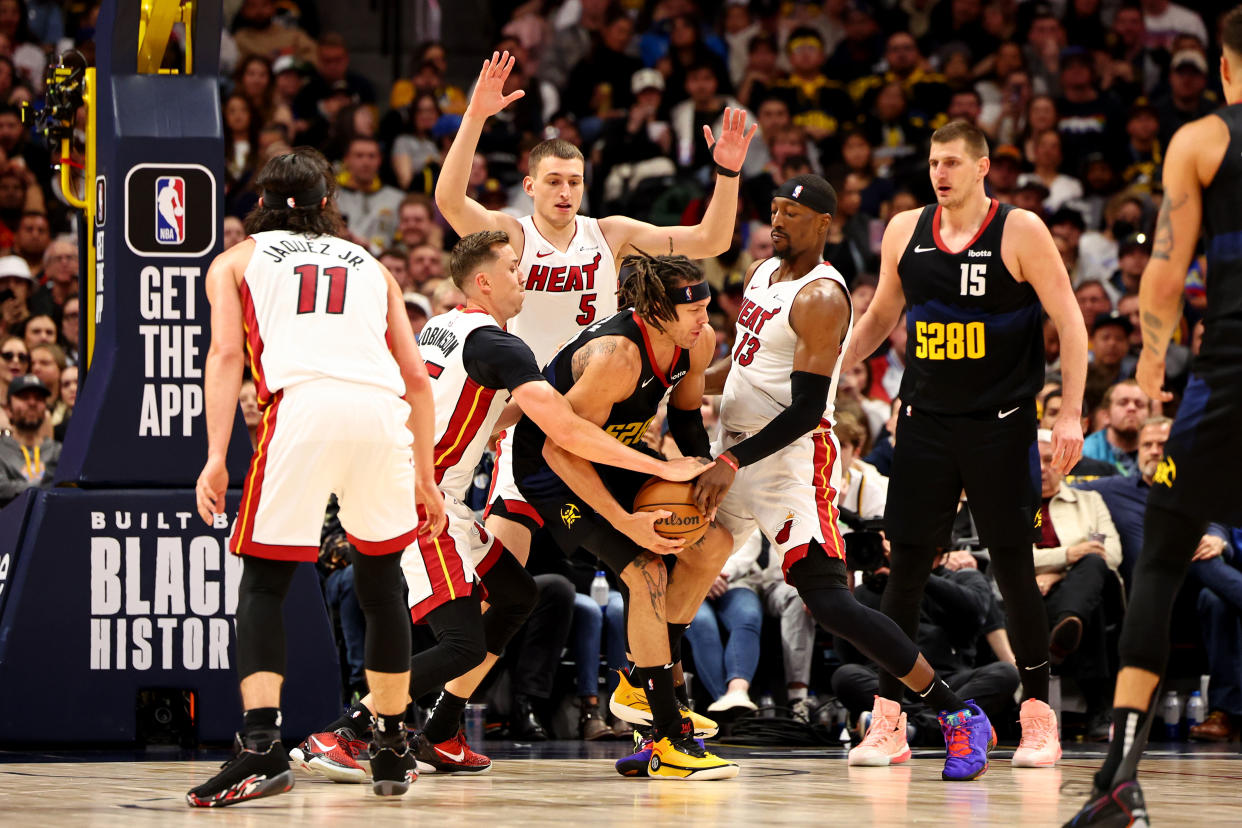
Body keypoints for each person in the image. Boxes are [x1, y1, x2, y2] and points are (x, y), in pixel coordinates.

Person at [290, 232, 707, 780]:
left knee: (515, 595)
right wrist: (662, 466)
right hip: (418, 498)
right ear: (484, 281)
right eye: (514, 268)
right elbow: (564, 429)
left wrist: (489, 423)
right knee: (463, 645)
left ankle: (438, 734)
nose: (524, 275)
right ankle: (345, 731)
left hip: (431, 490)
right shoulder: (499, 345)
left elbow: (452, 398)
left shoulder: (441, 327)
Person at [693, 173, 995, 781]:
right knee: (679, 567)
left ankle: (958, 715)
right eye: (773, 211)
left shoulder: (822, 297)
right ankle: (664, 721)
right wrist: (692, 386)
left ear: (824, 224)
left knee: (830, 603)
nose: (775, 223)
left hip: (790, 466)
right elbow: (744, 357)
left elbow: (806, 409)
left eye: (790, 214)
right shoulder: (760, 275)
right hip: (734, 456)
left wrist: (730, 461)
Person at [186, 148, 447, 806]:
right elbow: (417, 377)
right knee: (382, 580)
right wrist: (426, 475)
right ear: (327, 204)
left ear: (262, 203)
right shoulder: (369, 263)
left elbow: (225, 358)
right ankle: (389, 745)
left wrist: (217, 455)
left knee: (266, 582)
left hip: (302, 407)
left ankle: (260, 746)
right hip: (380, 411)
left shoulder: (236, 261)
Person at [434, 51, 753, 585]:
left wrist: (727, 173)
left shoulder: (609, 234)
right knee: (507, 579)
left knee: (646, 562)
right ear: (530, 186)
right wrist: (475, 118)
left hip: (598, 417)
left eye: (575, 182)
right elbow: (449, 201)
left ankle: (644, 668)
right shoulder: (513, 237)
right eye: (554, 181)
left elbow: (712, 240)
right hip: (532, 415)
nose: (565, 192)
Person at [842, 120, 1088, 770]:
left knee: (1014, 570)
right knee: (904, 574)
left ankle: (1039, 720)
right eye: (933, 162)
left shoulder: (1020, 230)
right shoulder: (904, 230)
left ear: (983, 168)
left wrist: (1070, 413)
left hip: (1001, 424)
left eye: (952, 162)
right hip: (924, 423)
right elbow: (879, 317)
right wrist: (833, 370)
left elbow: (1070, 319)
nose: (940, 173)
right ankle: (888, 722)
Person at [1066, 10, 1242, 823]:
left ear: (1224, 66)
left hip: (1229, 374)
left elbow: (1165, 277)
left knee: (1165, 555)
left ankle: (1121, 779)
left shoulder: (1203, 140)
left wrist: (1147, 374)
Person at [512, 251, 738, 780]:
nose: (706, 320)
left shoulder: (695, 342)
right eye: (694, 311)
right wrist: (620, 519)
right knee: (646, 571)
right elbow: (560, 448)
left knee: (713, 545)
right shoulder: (616, 356)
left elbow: (685, 421)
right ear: (657, 309)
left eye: (707, 307)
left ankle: (639, 677)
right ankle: (668, 738)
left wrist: (700, 473)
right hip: (553, 468)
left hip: (615, 455)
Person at [0, 374, 58, 505]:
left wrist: (17, 487)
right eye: (24, 397)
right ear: (8, 409)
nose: (32, 403)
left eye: (39, 398)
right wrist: (45, 487)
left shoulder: (59, 451)